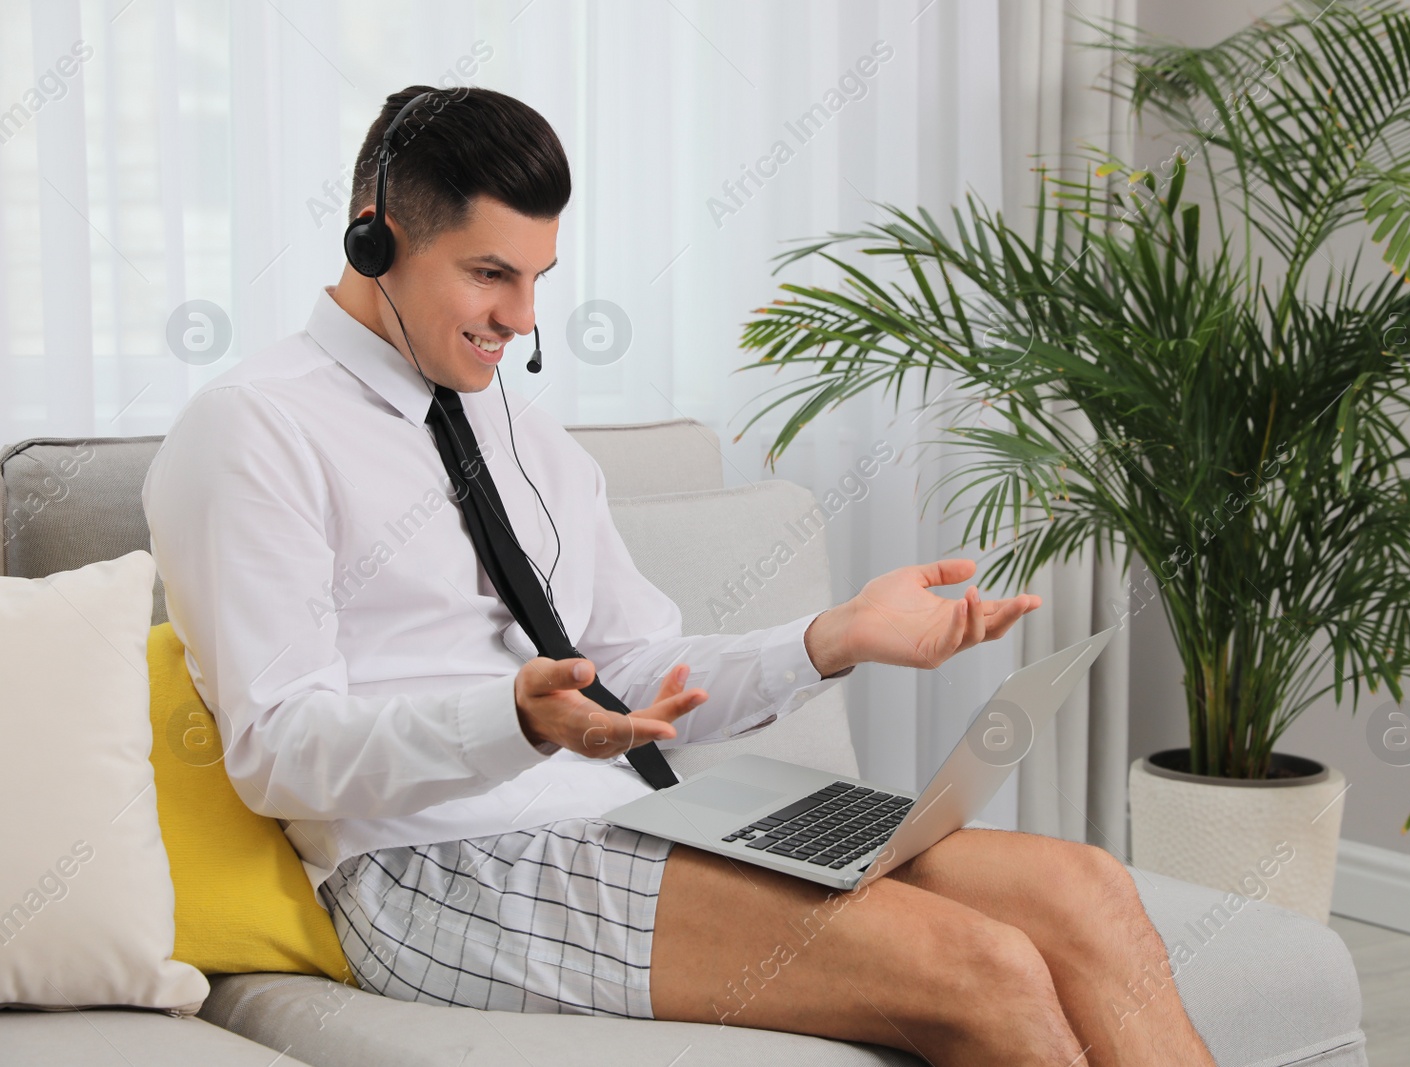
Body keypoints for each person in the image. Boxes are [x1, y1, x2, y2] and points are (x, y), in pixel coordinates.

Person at [142, 84, 1215, 1067]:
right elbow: (277, 755)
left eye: (537, 278)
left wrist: (828, 637)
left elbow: (640, 668)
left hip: (625, 815)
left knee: (1084, 890)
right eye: (489, 275)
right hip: (430, 864)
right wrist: (510, 718)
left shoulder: (523, 432)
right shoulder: (252, 431)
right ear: (376, 242)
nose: (522, 319)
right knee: (982, 965)